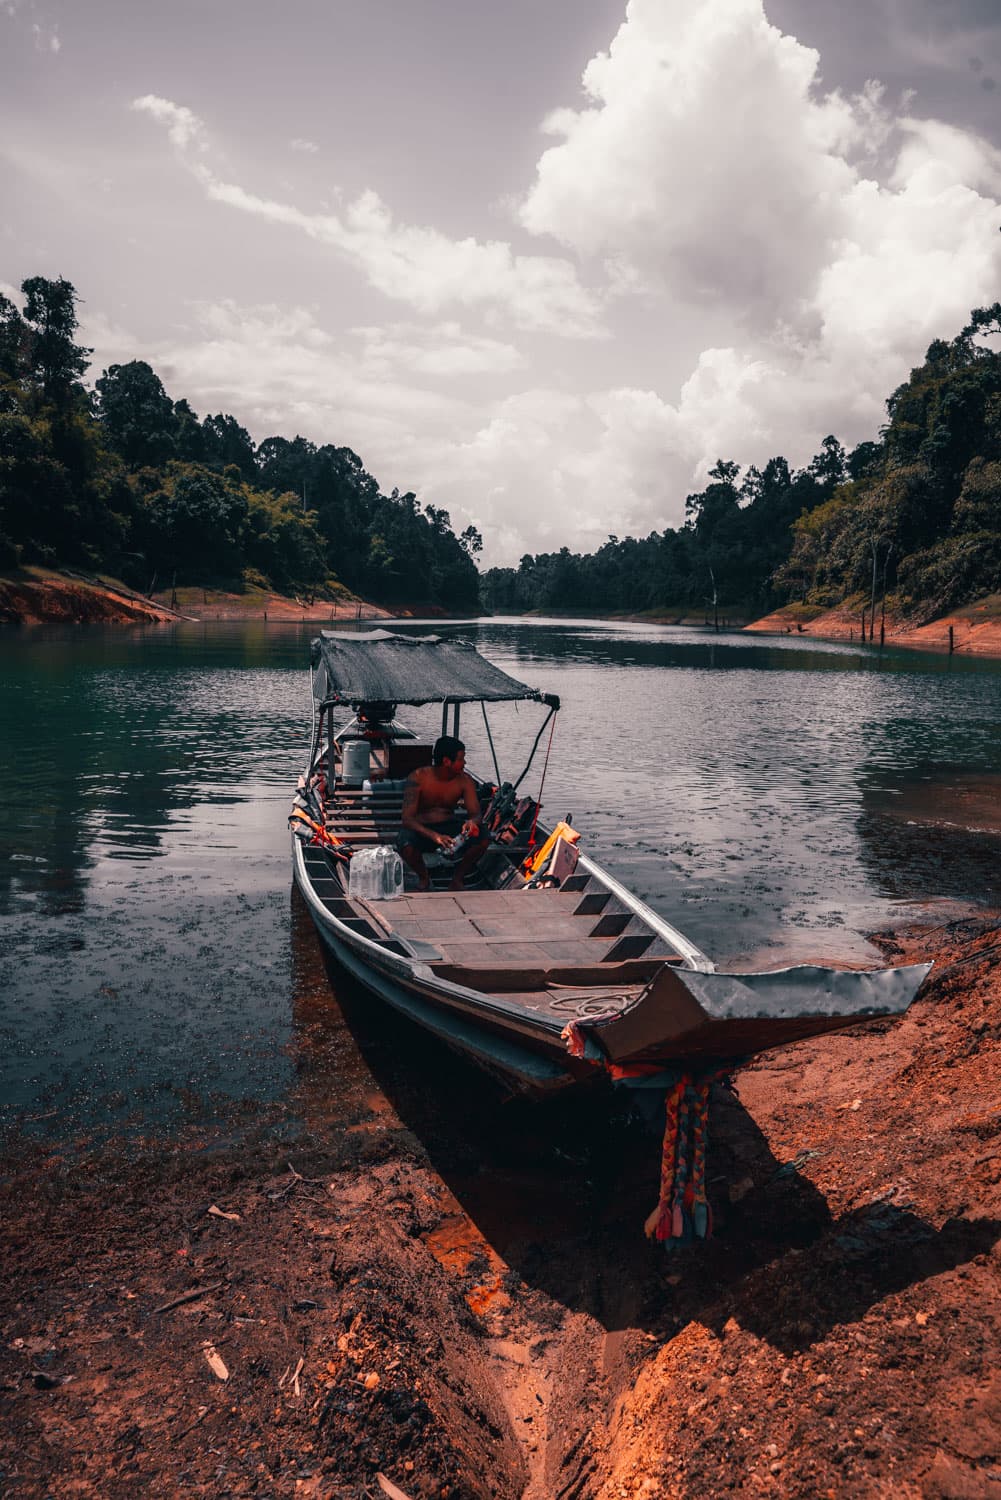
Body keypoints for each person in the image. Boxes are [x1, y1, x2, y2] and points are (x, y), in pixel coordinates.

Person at [395, 735, 489, 891]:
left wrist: (472, 822)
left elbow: (476, 814)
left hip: (449, 826)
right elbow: (407, 819)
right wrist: (435, 836)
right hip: (422, 829)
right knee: (405, 842)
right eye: (461, 759)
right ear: (447, 761)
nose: (464, 763)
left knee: (484, 837)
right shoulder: (418, 777)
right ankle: (423, 877)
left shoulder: (465, 780)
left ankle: (457, 878)